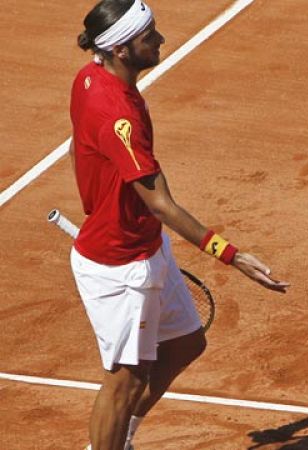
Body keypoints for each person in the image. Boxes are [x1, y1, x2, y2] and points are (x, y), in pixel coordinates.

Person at [70, 1, 290, 449]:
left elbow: (78, 146)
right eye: (148, 35)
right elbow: (162, 205)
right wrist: (233, 256)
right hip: (122, 267)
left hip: (144, 249)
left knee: (185, 344)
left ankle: (119, 440)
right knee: (124, 384)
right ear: (121, 49)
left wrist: (98, 202)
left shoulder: (89, 78)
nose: (160, 40)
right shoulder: (119, 115)